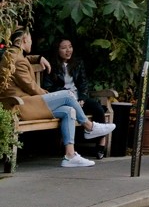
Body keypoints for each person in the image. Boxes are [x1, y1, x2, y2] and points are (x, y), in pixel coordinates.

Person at [0, 28, 114, 166]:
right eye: (30, 39)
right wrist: (50, 95)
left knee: (68, 111)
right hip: (20, 106)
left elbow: (25, 60)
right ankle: (89, 127)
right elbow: (31, 87)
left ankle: (70, 155)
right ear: (24, 40)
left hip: (25, 104)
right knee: (67, 95)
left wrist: (38, 57)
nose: (31, 42)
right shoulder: (18, 60)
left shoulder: (13, 54)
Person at [40, 37, 110, 158]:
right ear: (57, 50)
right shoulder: (51, 65)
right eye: (64, 48)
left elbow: (83, 83)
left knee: (98, 108)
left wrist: (82, 98)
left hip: (78, 97)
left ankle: (100, 145)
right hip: (64, 99)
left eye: (70, 47)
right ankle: (87, 132)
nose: (68, 50)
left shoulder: (77, 63)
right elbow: (48, 87)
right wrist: (67, 95)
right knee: (71, 111)